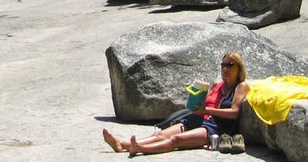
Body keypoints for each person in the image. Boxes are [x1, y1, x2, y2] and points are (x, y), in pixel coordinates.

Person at [101, 52, 250, 156]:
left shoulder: (241, 87)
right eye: (223, 65)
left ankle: (140, 148)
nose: (225, 69)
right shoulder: (217, 84)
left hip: (215, 128)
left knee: (176, 140)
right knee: (160, 134)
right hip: (197, 118)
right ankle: (122, 144)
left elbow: (234, 112)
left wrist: (208, 110)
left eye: (230, 65)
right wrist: (198, 93)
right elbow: (203, 105)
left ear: (238, 68)